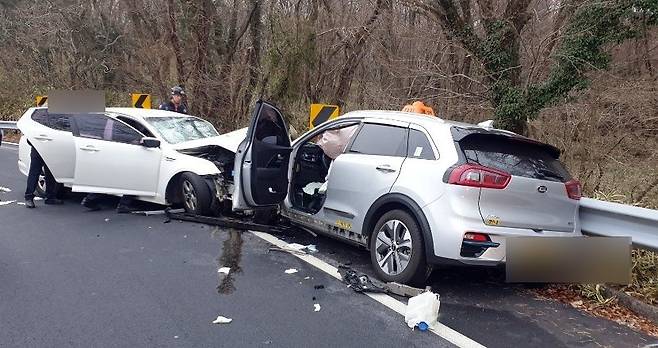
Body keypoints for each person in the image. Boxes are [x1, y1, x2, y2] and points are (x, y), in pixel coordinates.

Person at [24, 141, 62, 208]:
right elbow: (29, 138)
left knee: (51, 173)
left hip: (51, 149)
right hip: (38, 149)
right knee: (34, 173)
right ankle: (28, 197)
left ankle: (50, 197)